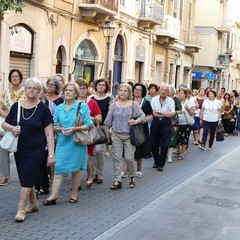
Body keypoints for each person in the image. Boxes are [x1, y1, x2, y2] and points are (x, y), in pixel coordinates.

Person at [2, 77, 55, 222]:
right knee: (26, 177)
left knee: (27, 176)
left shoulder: (43, 109)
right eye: (29, 88)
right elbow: (4, 125)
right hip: (20, 148)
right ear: (25, 89)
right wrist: (12, 128)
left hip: (37, 149)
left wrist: (51, 154)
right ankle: (34, 203)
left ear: (39, 91)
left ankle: (21, 209)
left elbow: (49, 133)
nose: (32, 90)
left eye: (35, 88)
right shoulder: (16, 106)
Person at [44, 82, 93, 205]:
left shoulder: (82, 106)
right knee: (58, 167)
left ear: (76, 93)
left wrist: (74, 129)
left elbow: (89, 124)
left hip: (77, 142)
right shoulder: (59, 107)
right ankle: (53, 196)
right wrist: (59, 128)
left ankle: (74, 193)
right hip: (62, 142)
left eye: (71, 90)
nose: (67, 92)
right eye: (66, 90)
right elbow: (54, 124)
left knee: (75, 169)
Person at [104, 83, 145, 189]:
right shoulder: (114, 104)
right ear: (118, 92)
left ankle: (131, 176)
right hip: (116, 135)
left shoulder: (133, 104)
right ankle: (117, 180)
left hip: (129, 136)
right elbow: (108, 121)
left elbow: (143, 116)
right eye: (121, 90)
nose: (123, 92)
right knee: (116, 158)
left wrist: (135, 121)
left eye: (125, 91)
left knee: (129, 158)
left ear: (129, 93)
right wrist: (108, 132)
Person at [35, 76, 64, 196]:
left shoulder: (56, 102)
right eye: (49, 84)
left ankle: (41, 186)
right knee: (40, 160)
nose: (50, 86)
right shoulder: (36, 100)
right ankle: (44, 185)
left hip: (50, 133)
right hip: (37, 132)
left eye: (53, 84)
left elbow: (56, 118)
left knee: (44, 159)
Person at [0, 69, 25, 186]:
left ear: (20, 78)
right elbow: (0, 108)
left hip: (21, 124)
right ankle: (4, 176)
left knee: (21, 150)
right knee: (3, 148)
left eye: (16, 76)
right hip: (6, 124)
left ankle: (24, 175)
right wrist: (8, 117)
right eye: (12, 76)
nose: (14, 78)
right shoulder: (5, 92)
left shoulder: (25, 92)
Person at [76, 79, 102, 188]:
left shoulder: (92, 102)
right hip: (76, 133)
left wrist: (91, 118)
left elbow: (99, 118)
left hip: (88, 134)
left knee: (86, 157)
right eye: (80, 88)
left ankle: (90, 176)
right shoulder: (72, 102)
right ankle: (77, 181)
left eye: (84, 88)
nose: (82, 90)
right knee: (76, 157)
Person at [91, 79, 112, 183]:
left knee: (99, 150)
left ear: (106, 87)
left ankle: (100, 173)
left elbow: (111, 114)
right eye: (99, 84)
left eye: (103, 85)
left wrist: (109, 127)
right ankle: (93, 173)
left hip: (103, 127)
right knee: (92, 152)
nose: (101, 87)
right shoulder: (90, 98)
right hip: (91, 127)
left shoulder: (110, 99)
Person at [150, 84, 175, 171]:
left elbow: (171, 114)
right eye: (162, 89)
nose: (163, 91)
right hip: (156, 122)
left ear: (168, 92)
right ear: (159, 91)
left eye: (165, 90)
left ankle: (161, 164)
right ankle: (156, 161)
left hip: (166, 124)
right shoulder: (154, 99)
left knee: (165, 144)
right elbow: (153, 113)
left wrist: (159, 112)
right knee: (153, 144)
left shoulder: (171, 101)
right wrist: (165, 113)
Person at [132, 83, 152, 176]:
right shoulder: (129, 101)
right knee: (128, 148)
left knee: (139, 148)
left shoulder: (146, 103)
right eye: (135, 89)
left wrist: (141, 120)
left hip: (141, 128)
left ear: (143, 91)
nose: (137, 91)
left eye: (139, 90)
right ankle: (126, 168)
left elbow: (150, 116)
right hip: (130, 127)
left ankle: (139, 169)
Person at [177, 88, 195, 160]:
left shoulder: (189, 102)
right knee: (177, 138)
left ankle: (182, 153)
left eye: (181, 93)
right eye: (179, 93)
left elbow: (192, 113)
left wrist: (187, 109)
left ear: (185, 94)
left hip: (185, 123)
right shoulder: (176, 101)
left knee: (184, 139)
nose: (180, 94)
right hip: (177, 123)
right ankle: (178, 151)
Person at [167, 85, 182, 163]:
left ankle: (170, 156)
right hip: (164, 120)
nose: (168, 93)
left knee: (172, 138)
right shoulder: (163, 99)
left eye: (169, 91)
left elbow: (181, 111)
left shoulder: (176, 100)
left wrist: (174, 112)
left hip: (173, 121)